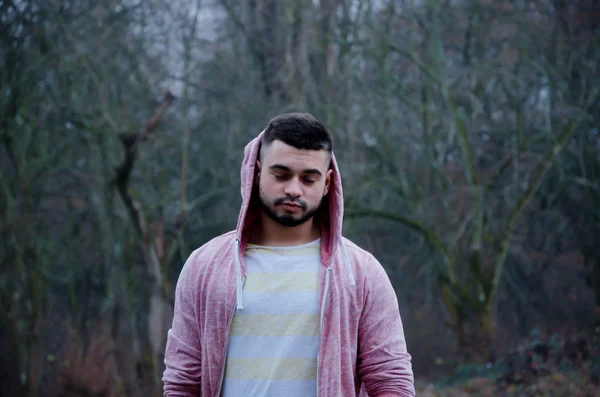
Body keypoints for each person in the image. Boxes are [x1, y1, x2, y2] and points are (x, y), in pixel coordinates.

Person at [162, 113, 415, 397]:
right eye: (281, 175)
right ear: (256, 172)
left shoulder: (361, 272)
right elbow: (182, 381)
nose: (294, 189)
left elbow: (391, 380)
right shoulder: (204, 266)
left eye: (308, 179)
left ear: (328, 184)